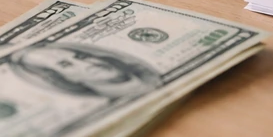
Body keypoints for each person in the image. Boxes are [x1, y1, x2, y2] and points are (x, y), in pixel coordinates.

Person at [10, 43, 161, 99]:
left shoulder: (148, 76)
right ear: (63, 79)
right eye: (65, 64)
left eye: (81, 56)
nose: (87, 63)